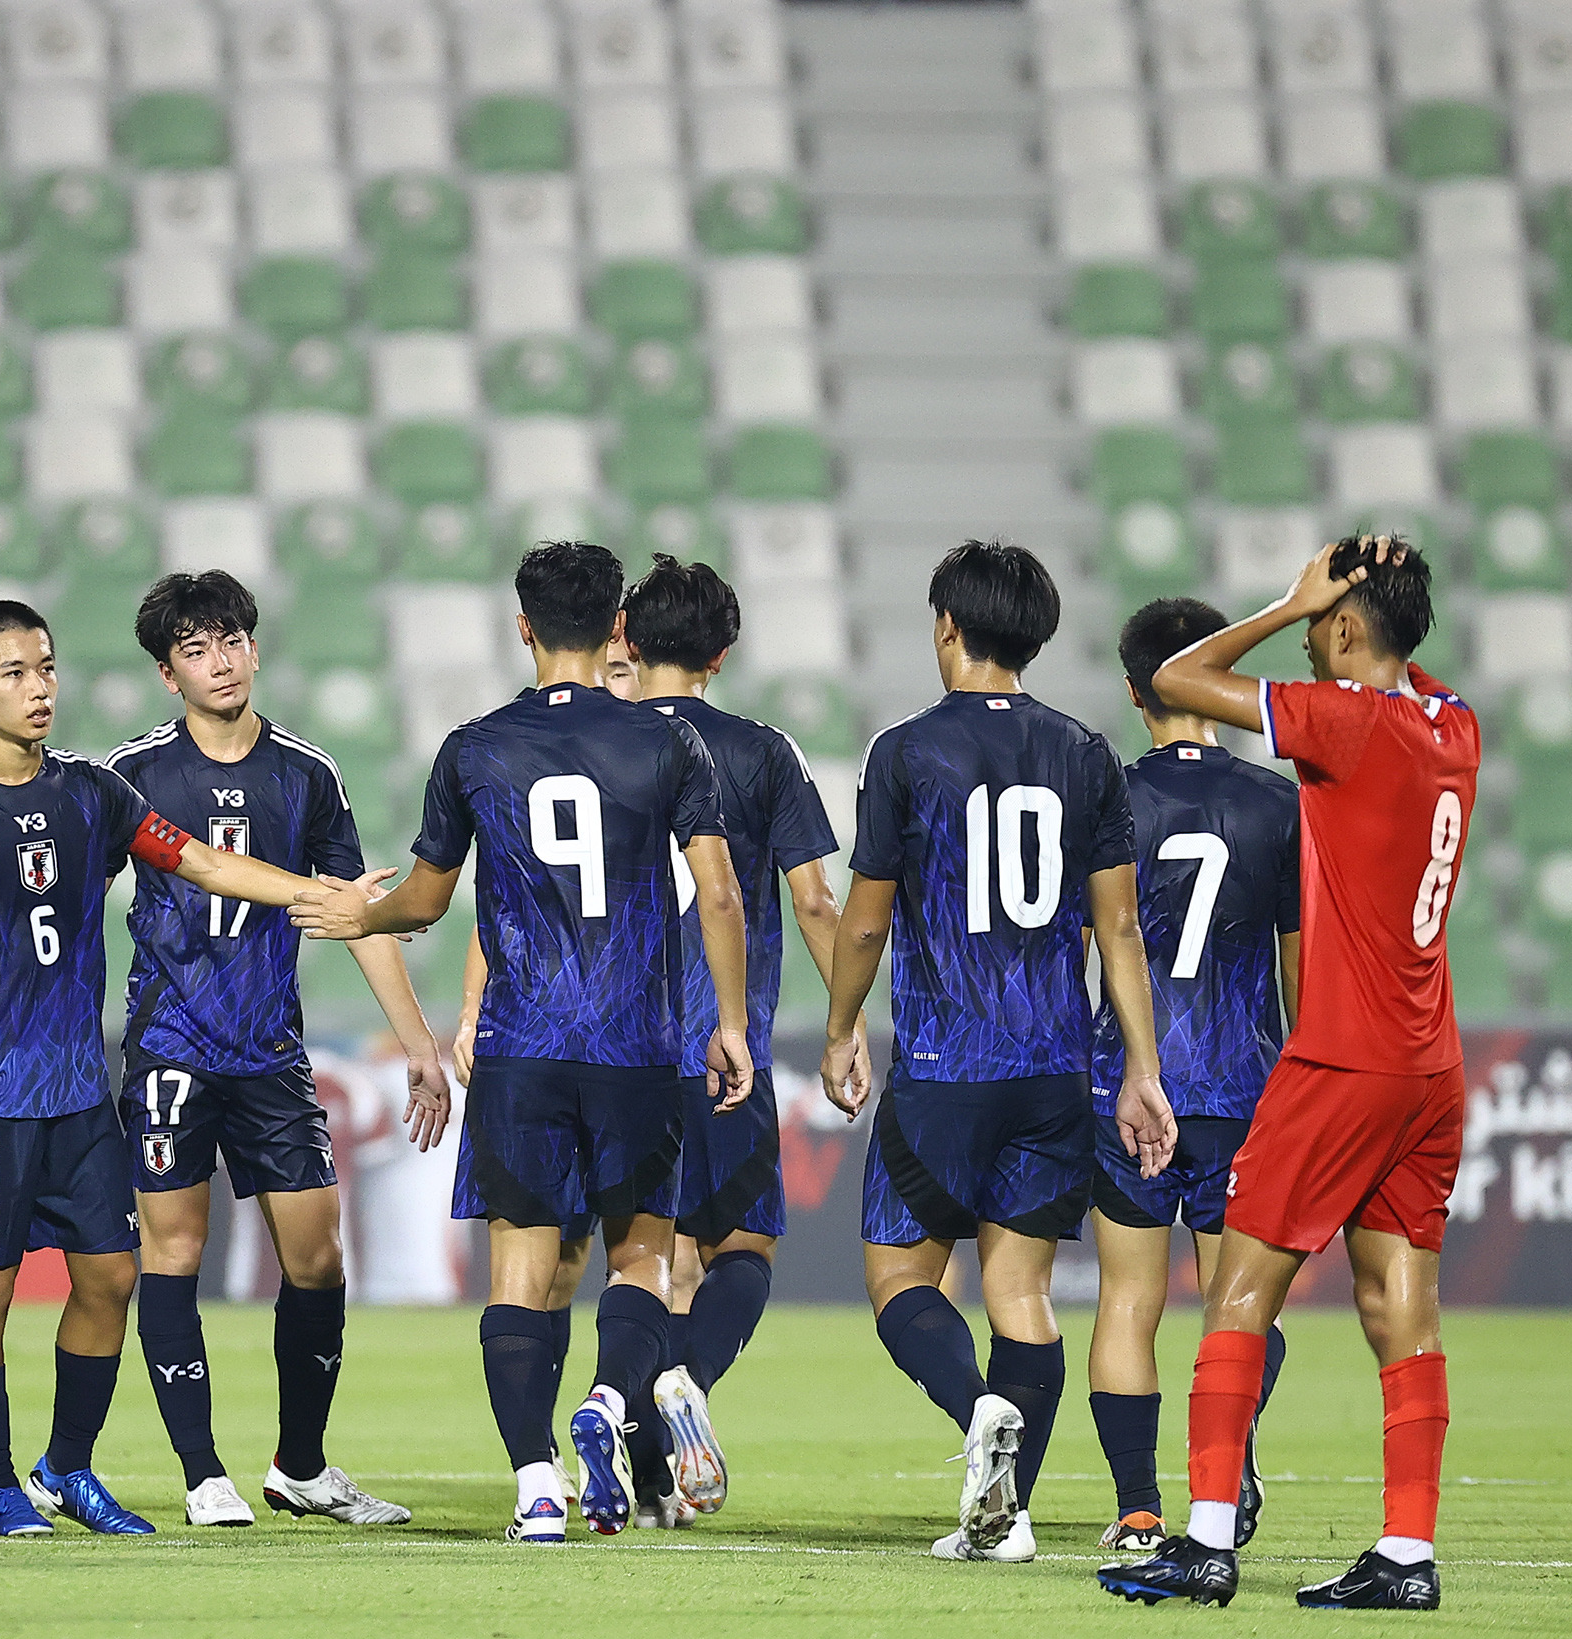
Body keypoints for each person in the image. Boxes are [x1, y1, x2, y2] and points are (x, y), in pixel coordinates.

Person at [0, 601, 370, 1538]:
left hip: (83, 1095)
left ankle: (68, 1467)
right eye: (14, 673)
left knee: (112, 1278)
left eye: (47, 667)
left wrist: (314, 893)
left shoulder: (94, 791)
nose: (40, 687)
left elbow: (203, 863)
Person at [289, 542, 753, 1543]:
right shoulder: (667, 744)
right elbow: (718, 891)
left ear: (522, 627)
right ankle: (603, 1405)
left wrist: (355, 918)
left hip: (521, 1046)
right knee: (638, 1265)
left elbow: (425, 896)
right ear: (617, 631)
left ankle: (536, 1483)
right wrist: (725, 1019)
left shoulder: (476, 747)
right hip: (635, 1047)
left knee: (518, 1276)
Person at [1098, 537, 1473, 1612]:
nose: (1311, 642)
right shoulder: (1456, 729)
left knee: (1237, 1292)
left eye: (1323, 626)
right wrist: (1383, 598)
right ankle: (1407, 1556)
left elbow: (1177, 682)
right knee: (1402, 1302)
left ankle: (1206, 1539)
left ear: (1347, 628)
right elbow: (1410, 668)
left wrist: (1286, 600)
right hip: (1429, 1064)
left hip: (1339, 1058)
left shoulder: (1345, 720)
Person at [819, 540, 1176, 1564]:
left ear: (945, 625)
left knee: (899, 1283)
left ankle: (981, 1424)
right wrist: (1140, 1071)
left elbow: (863, 922)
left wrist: (843, 1026)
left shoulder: (904, 751)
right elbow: (1117, 934)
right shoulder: (1083, 752)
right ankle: (1004, 1516)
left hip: (942, 1069)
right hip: (1053, 1071)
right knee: (1018, 1294)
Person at [104, 570, 449, 1528]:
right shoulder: (131, 774)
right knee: (173, 1252)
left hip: (268, 1054)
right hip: (172, 1046)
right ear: (168, 673)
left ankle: (300, 1465)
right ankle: (201, 1471)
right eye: (196, 649)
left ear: (255, 648)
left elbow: (357, 915)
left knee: (318, 1259)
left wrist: (419, 1045)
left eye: (231, 641)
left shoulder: (306, 774)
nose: (219, 663)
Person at [622, 555, 864, 1524]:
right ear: (723, 653)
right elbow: (814, 900)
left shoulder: (592, 738)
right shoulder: (765, 754)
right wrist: (843, 1028)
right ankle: (684, 1383)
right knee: (743, 1246)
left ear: (627, 644)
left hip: (606, 1049)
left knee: (644, 1262)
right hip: (722, 1048)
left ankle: (646, 1483)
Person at [1086, 600, 1302, 1555]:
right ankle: (1230, 1457)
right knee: (1240, 1309)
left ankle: (1138, 1511)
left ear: (1137, 690)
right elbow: (1303, 969)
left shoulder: (1106, 799)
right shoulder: (1281, 804)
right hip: (1244, 1091)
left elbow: (1079, 944)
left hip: (1126, 1086)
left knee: (1128, 1302)